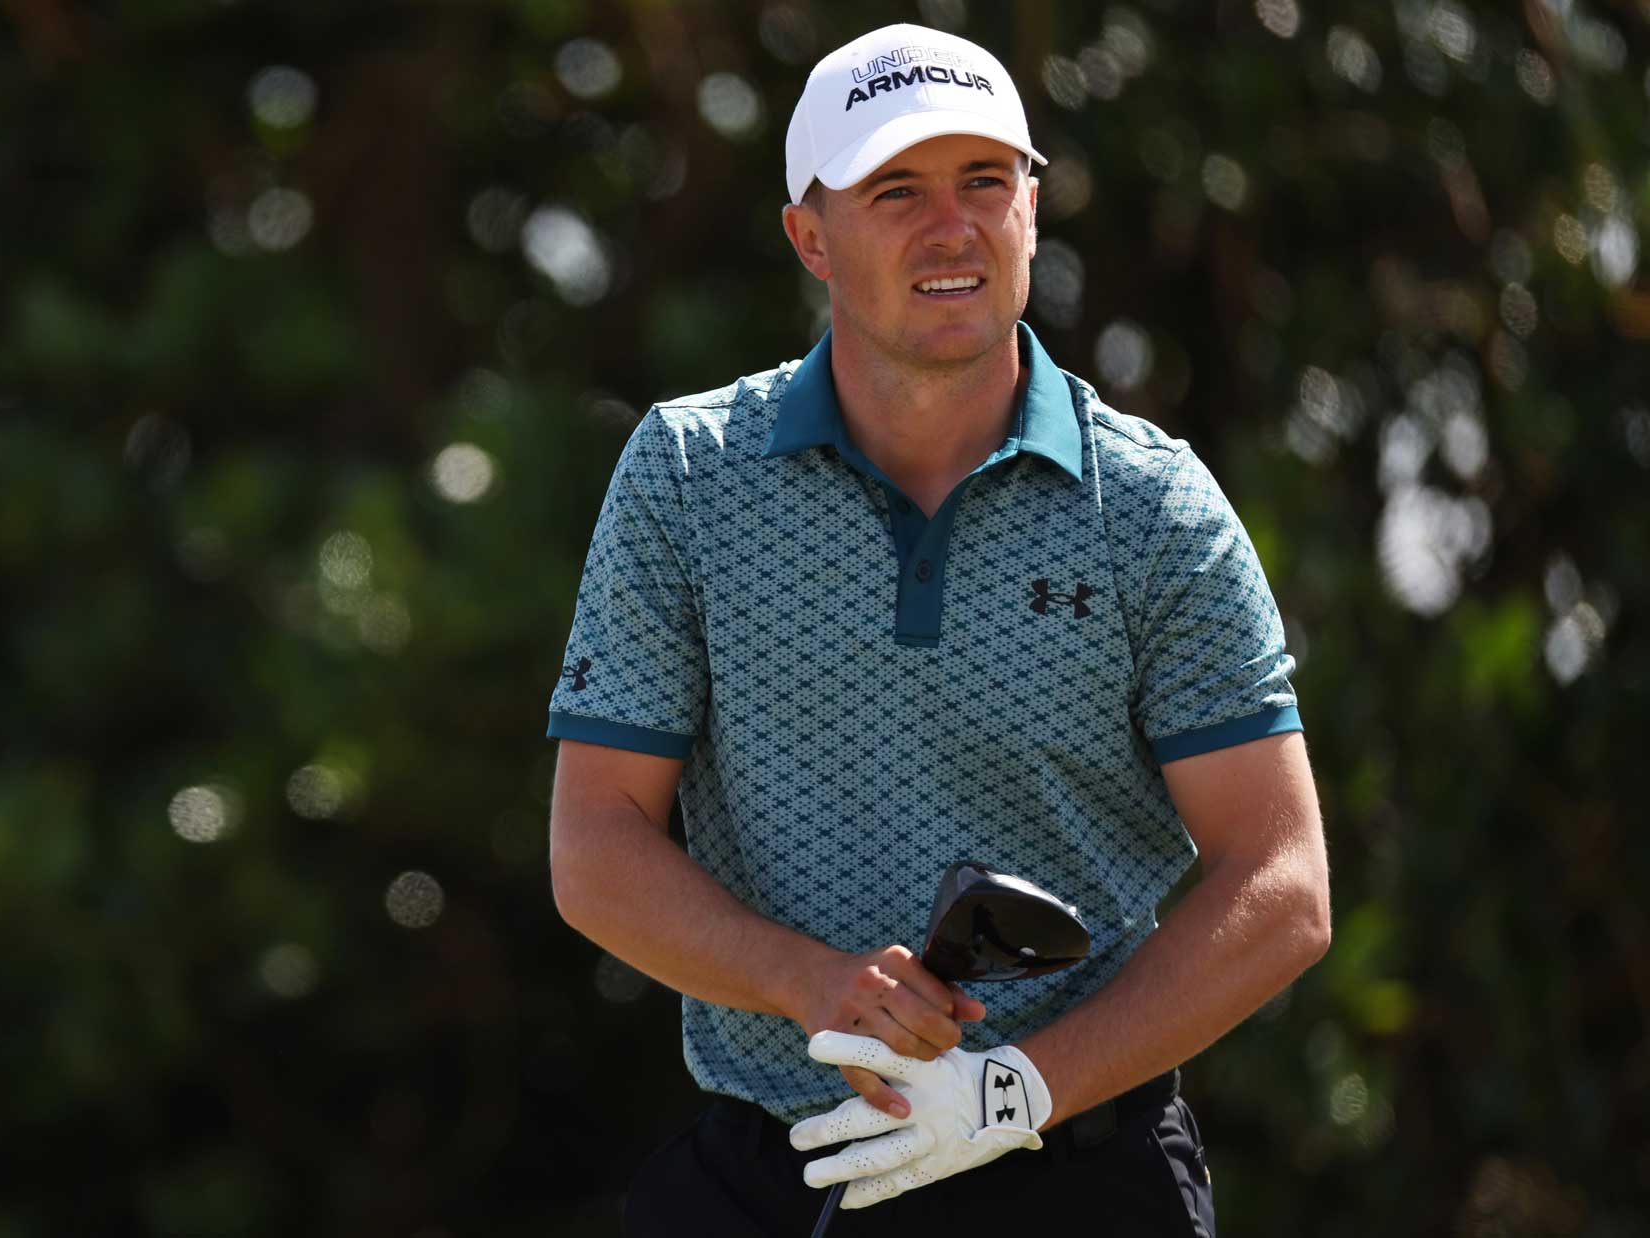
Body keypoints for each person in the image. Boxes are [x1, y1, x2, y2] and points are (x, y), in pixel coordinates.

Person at [544, 21, 1331, 1236]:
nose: (951, 226)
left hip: (1077, 1167)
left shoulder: (1151, 506)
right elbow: (595, 844)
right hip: (775, 1163)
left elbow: (1281, 882)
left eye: (984, 180)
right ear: (810, 235)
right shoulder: (689, 477)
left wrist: (1014, 1089)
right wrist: (813, 982)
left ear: (1032, 208)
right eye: (896, 190)